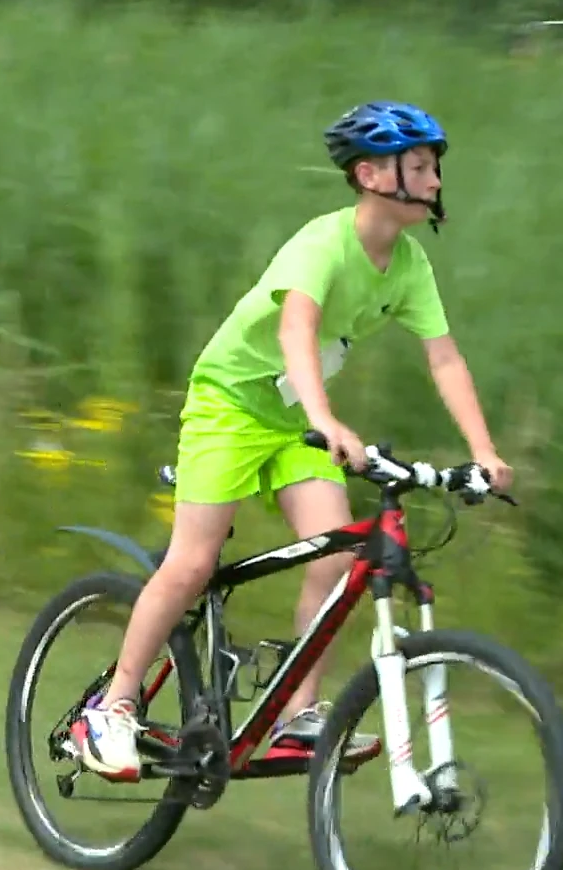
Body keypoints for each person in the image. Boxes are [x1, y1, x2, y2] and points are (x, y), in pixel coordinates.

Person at [71, 100, 515, 782]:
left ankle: (296, 715)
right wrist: (329, 419)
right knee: (190, 565)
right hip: (229, 406)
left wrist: (484, 453)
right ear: (371, 175)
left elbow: (444, 358)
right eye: (420, 167)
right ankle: (113, 706)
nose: (434, 181)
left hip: (294, 423)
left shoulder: (410, 266)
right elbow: (294, 332)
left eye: (433, 168)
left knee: (335, 559)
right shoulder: (322, 244)